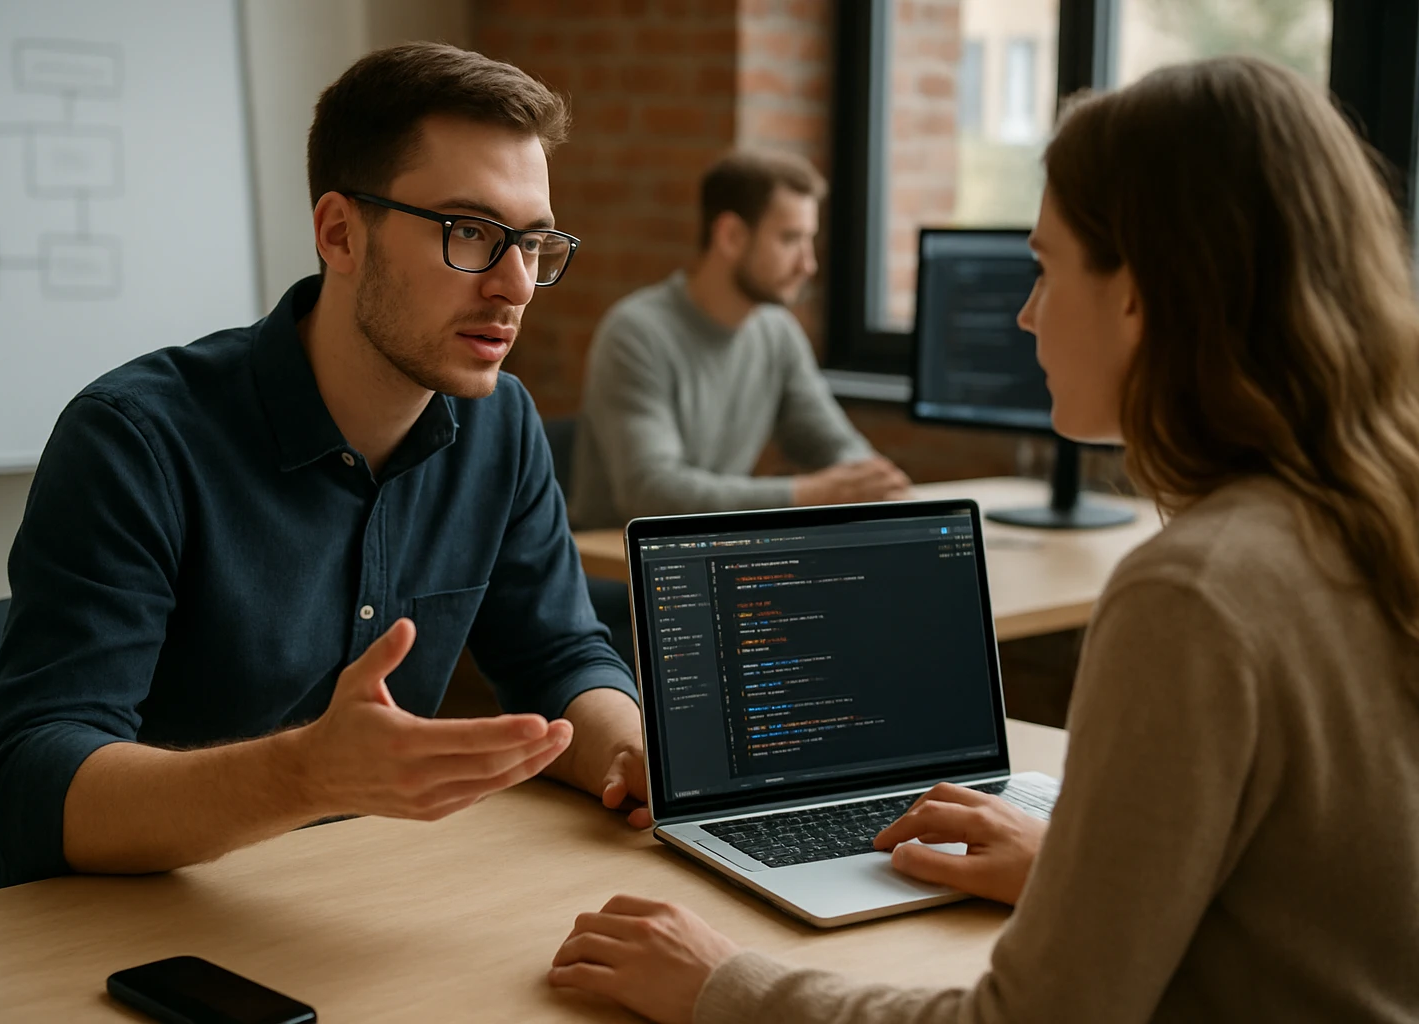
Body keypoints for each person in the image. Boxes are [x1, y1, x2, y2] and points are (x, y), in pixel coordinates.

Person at [549, 56, 1419, 1023]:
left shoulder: (1195, 592)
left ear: (1139, 291)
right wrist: (1080, 872)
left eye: (1044, 269)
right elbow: (1311, 913)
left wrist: (721, 983)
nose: (1026, 314)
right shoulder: (1378, 518)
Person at [0, 43, 651, 891]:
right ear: (340, 233)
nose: (515, 284)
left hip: (345, 899)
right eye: (470, 233)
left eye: (536, 242)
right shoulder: (134, 439)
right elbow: (32, 790)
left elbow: (560, 660)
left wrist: (631, 751)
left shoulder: (499, 424)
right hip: (104, 937)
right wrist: (306, 774)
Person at [568, 150, 908, 529]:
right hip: (615, 569)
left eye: (808, 240)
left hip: (710, 554)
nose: (807, 265)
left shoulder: (777, 333)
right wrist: (808, 494)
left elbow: (833, 444)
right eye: (790, 239)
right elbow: (650, 492)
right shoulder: (634, 334)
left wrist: (872, 484)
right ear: (730, 236)